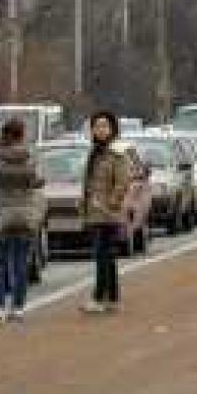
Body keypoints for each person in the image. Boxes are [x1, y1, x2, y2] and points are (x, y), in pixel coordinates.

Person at [0, 118, 45, 321]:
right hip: (26, 216)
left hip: (3, 216)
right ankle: (18, 306)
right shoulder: (30, 156)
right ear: (22, 134)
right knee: (21, 263)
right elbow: (38, 181)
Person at [80, 110, 130, 314]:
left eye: (104, 126)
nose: (100, 130)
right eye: (97, 126)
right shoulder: (94, 152)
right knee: (106, 256)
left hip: (108, 213)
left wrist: (111, 203)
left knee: (103, 255)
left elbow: (122, 181)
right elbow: (88, 183)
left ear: (112, 129)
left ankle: (100, 297)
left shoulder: (116, 152)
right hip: (94, 212)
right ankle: (111, 297)